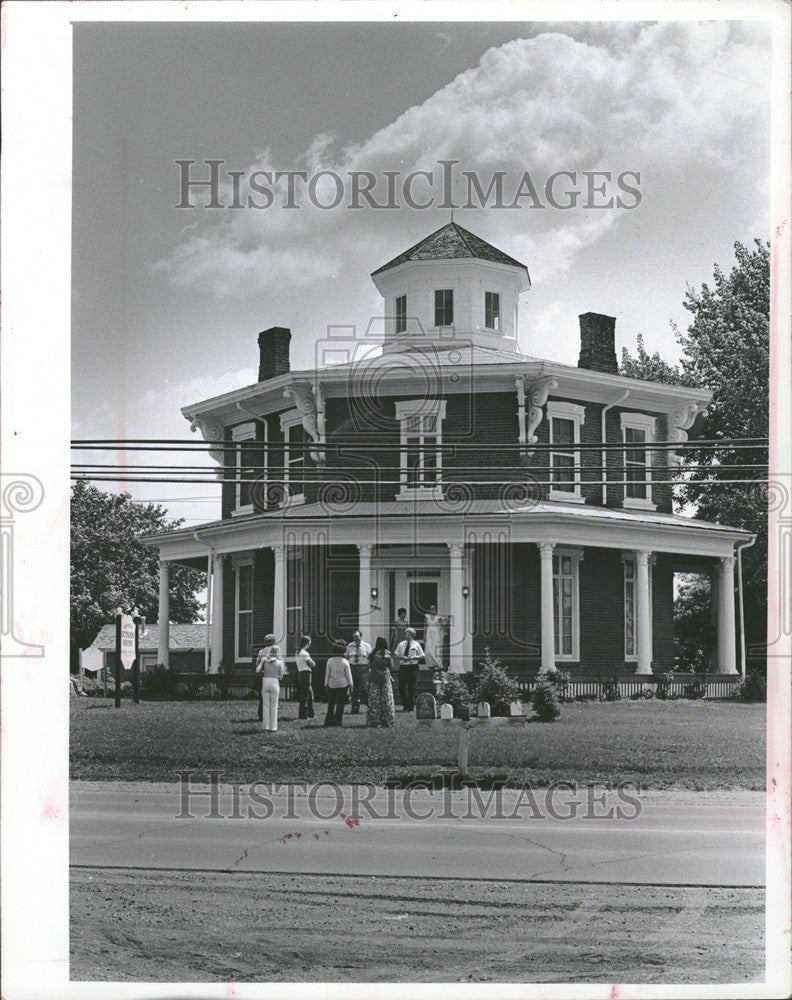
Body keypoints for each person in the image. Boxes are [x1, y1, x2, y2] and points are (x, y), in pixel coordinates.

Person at [367, 636, 396, 728]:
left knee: (374, 700)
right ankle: (387, 721)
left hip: (374, 678)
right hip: (385, 678)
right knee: (387, 700)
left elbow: (369, 665)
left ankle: (374, 721)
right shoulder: (387, 654)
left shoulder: (372, 653)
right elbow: (392, 667)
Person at [324, 641, 353, 727]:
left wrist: (326, 684)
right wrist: (351, 684)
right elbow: (348, 675)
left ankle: (328, 721)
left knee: (331, 704)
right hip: (342, 685)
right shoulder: (345, 662)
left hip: (332, 684)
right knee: (340, 705)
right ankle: (337, 722)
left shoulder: (330, 661)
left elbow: (327, 674)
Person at [256, 644, 284, 733]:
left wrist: (261, 662)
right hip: (274, 682)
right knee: (274, 705)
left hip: (265, 681)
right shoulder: (279, 662)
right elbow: (281, 677)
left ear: (270, 652)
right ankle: (273, 727)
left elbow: (257, 670)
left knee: (265, 705)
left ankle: (266, 726)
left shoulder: (265, 660)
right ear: (277, 653)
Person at [394, 628, 424, 712]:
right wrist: (402, 657)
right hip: (403, 666)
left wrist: (415, 657)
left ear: (412, 636)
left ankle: (410, 707)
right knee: (401, 687)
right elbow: (396, 654)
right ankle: (405, 705)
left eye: (409, 635)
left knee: (411, 687)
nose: (407, 636)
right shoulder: (401, 644)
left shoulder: (416, 644)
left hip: (413, 666)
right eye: (406, 634)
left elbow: (422, 655)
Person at [345, 631, 372, 714]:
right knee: (354, 689)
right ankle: (355, 708)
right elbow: (346, 657)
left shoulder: (367, 646)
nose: (355, 638)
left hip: (363, 669)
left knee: (364, 689)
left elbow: (371, 658)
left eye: (357, 636)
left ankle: (370, 707)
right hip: (352, 668)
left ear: (361, 636)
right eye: (354, 637)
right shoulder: (350, 646)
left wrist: (369, 669)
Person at [254, 633, 276, 722]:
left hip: (262, 675)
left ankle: (261, 715)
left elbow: (257, 664)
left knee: (262, 697)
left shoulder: (261, 651)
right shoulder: (274, 651)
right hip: (272, 675)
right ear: (273, 642)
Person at [295, 635, 316, 720]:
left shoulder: (298, 652)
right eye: (309, 642)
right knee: (306, 695)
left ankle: (311, 714)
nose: (310, 644)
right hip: (306, 674)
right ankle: (303, 715)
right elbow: (312, 664)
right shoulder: (305, 653)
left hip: (300, 673)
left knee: (310, 695)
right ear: (307, 643)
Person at [424, 605, 445, 671]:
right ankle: (431, 665)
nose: (432, 609)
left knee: (435, 649)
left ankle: (437, 665)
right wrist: (424, 635)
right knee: (428, 650)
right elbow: (425, 626)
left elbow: (442, 626)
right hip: (429, 633)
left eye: (434, 608)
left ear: (436, 609)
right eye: (431, 608)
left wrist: (444, 622)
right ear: (429, 609)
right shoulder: (427, 616)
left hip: (435, 634)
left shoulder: (438, 617)